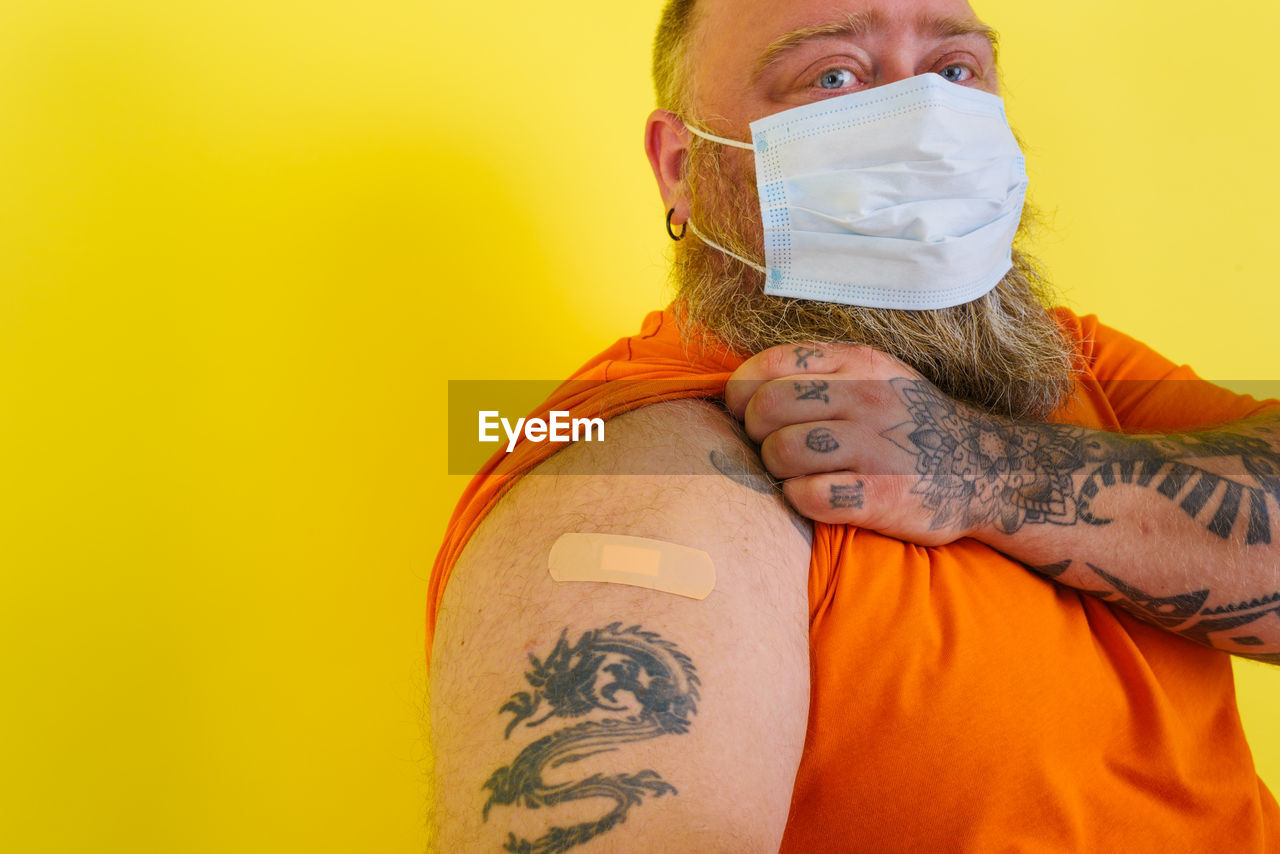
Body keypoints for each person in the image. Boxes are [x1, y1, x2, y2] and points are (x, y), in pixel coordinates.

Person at [427, 0, 1280, 850]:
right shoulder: (649, 472)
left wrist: (985, 471)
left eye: (955, 71)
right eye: (833, 75)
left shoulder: (1065, 362)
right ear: (681, 166)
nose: (926, 119)